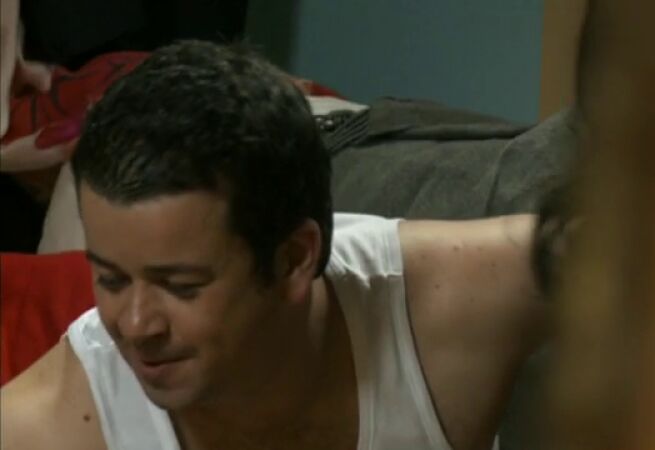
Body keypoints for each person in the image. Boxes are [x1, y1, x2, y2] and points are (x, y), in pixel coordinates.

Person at [0, 40, 547, 450]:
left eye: (181, 285)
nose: (138, 324)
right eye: (110, 279)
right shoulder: (48, 425)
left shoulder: (448, 301)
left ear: (293, 259)